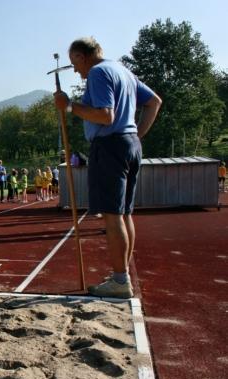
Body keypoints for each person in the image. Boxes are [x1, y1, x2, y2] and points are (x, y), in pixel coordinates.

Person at [54, 37, 162, 298]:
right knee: (125, 214)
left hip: (110, 146)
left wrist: (69, 106)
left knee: (113, 215)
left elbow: (105, 115)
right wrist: (136, 135)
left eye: (74, 65)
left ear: (81, 56)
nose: (77, 72)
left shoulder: (99, 72)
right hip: (129, 144)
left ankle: (120, 280)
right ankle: (121, 273)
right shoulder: (123, 71)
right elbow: (154, 102)